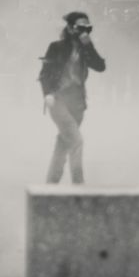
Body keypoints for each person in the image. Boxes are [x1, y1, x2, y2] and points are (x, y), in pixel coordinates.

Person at [38, 11, 106, 184]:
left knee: (63, 143)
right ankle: (78, 184)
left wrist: (88, 45)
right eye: (80, 28)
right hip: (58, 99)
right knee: (76, 141)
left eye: (87, 28)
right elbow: (45, 74)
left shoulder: (85, 49)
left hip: (77, 103)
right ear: (70, 28)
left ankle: (51, 183)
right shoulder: (56, 47)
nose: (84, 32)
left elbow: (100, 66)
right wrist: (47, 94)